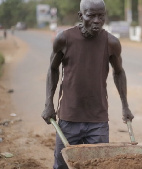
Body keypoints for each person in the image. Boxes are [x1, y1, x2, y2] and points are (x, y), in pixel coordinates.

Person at [41, 0, 134, 168]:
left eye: (101, 16)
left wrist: (125, 106)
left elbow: (119, 72)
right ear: (81, 16)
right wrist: (49, 103)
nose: (97, 20)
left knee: (99, 164)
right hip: (68, 119)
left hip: (98, 121)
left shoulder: (111, 42)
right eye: (91, 16)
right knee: (63, 165)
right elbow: (52, 69)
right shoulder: (64, 39)